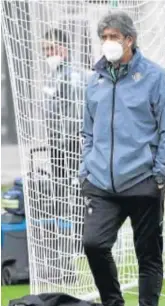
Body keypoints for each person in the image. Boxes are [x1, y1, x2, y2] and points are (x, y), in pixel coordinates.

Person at [79, 11, 165, 306]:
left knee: (148, 257)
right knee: (94, 245)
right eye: (104, 37)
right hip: (101, 184)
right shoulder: (94, 80)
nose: (107, 42)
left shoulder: (155, 77)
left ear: (129, 39)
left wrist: (160, 174)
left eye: (113, 36)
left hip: (143, 182)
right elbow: (88, 132)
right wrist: (85, 171)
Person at [42, 28, 84, 213]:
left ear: (64, 48)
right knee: (60, 193)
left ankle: (78, 234)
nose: (48, 54)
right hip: (57, 143)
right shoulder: (54, 75)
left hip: (71, 143)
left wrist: (66, 140)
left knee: (75, 193)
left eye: (51, 48)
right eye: (45, 49)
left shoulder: (73, 75)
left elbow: (76, 114)